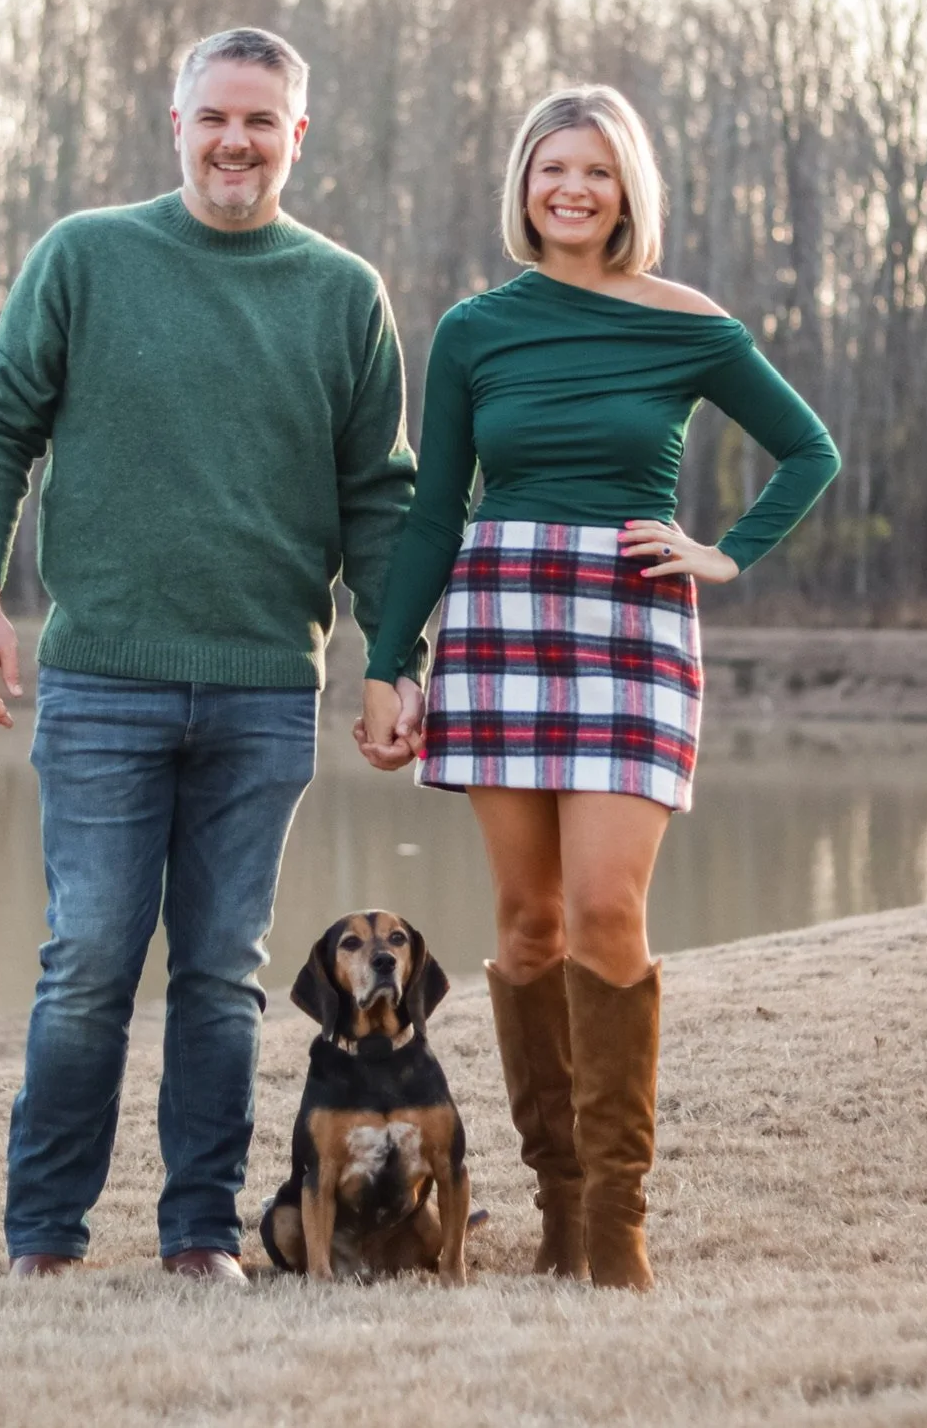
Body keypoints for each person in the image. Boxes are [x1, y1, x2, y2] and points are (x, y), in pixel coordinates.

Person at [0, 27, 426, 1286]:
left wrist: (392, 657)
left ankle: (198, 1234)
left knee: (222, 975)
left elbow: (378, 493)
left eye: (261, 121)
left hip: (267, 684)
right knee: (91, 958)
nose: (235, 140)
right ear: (175, 122)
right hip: (103, 674)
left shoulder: (342, 293)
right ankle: (44, 1238)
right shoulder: (87, 256)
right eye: (215, 115)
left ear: (296, 136)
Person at [357, 84, 840, 1291]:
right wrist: (384, 660)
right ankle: (559, 1209)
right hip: (500, 612)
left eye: (596, 171)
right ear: (523, 185)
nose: (572, 189)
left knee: (607, 914)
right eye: (549, 168)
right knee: (526, 926)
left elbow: (811, 449)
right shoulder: (475, 328)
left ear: (629, 189)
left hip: (631, 624)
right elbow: (433, 510)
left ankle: (617, 1231)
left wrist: (725, 549)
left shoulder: (692, 324)